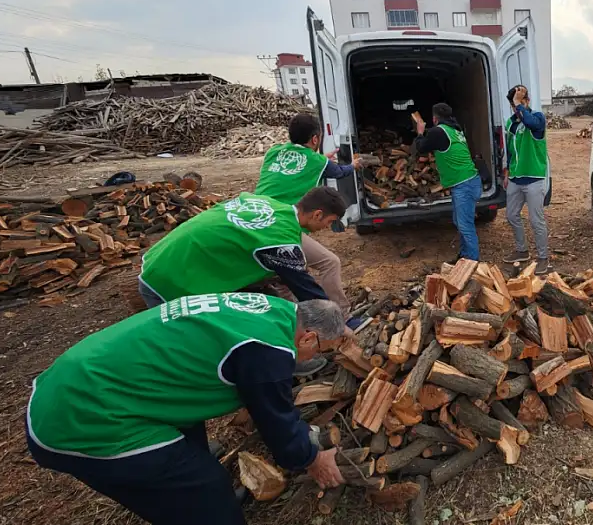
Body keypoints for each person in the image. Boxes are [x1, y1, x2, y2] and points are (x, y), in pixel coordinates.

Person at [26, 294, 350, 525]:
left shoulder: (274, 309)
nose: (313, 359)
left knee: (188, 450)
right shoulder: (269, 350)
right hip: (85, 414)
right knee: (205, 484)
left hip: (77, 379)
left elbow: (262, 396)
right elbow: (276, 421)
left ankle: (185, 512)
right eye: (321, 350)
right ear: (307, 337)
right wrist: (311, 457)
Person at [137, 186, 347, 310]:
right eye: (329, 222)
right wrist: (337, 325)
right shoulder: (280, 240)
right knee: (207, 342)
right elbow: (308, 292)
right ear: (317, 214)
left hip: (160, 258)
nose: (327, 228)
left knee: (268, 297)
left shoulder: (269, 204)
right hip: (170, 283)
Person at [255, 113, 362, 316]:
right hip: (280, 224)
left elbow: (296, 166)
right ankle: (340, 316)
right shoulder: (316, 161)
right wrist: (354, 166)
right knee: (329, 263)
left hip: (256, 215)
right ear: (315, 139)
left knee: (283, 277)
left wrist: (321, 160)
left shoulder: (273, 151)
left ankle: (296, 319)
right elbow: (339, 172)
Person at [414, 102, 482, 261]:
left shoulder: (438, 131)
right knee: (460, 221)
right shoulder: (455, 130)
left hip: (464, 183)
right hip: (469, 180)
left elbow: (421, 148)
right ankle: (465, 256)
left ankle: (472, 262)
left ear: (434, 118)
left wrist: (420, 132)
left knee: (465, 225)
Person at [501, 85, 551, 274]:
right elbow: (510, 150)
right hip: (515, 177)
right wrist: (507, 172)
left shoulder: (537, 118)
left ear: (527, 101)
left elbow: (531, 123)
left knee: (536, 220)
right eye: (513, 105)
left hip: (534, 178)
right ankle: (522, 250)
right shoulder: (510, 124)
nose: (516, 108)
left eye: (520, 102)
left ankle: (543, 257)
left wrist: (519, 105)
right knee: (511, 215)